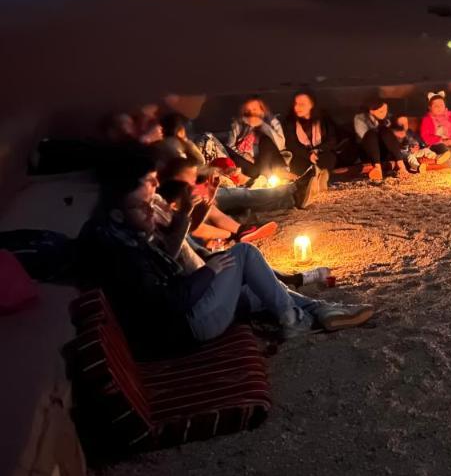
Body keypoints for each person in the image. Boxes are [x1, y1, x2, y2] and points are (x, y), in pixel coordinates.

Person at [81, 147, 372, 358]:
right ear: (118, 212)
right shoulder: (122, 252)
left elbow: (171, 256)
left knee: (260, 289)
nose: (153, 200)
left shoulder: (129, 231)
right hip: (190, 327)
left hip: (194, 307)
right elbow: (171, 301)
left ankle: (319, 308)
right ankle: (295, 320)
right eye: (146, 194)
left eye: (154, 186)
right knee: (244, 254)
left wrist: (190, 219)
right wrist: (210, 270)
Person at [283, 91, 342, 206]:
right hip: (302, 155)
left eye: (302, 104)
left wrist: (317, 150)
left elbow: (332, 140)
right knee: (298, 167)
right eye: (296, 103)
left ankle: (321, 178)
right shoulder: (290, 121)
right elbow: (291, 145)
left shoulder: (323, 119)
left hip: (320, 153)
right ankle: (312, 183)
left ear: (312, 105)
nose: (297, 107)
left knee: (328, 157)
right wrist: (308, 155)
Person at [354, 98, 429, 182]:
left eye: (385, 110)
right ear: (371, 111)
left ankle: (401, 166)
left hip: (386, 151)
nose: (384, 113)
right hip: (369, 151)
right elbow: (364, 137)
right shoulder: (360, 118)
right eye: (381, 111)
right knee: (372, 133)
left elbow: (396, 138)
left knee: (385, 130)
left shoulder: (389, 118)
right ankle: (377, 168)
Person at [227, 97, 290, 181]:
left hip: (267, 159)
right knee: (254, 171)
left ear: (262, 110)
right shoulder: (238, 124)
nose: (251, 113)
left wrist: (262, 125)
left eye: (254, 109)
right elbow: (229, 147)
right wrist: (244, 155)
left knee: (265, 141)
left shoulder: (272, 122)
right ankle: (261, 178)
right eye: (248, 110)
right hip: (248, 161)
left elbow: (280, 146)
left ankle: (268, 176)